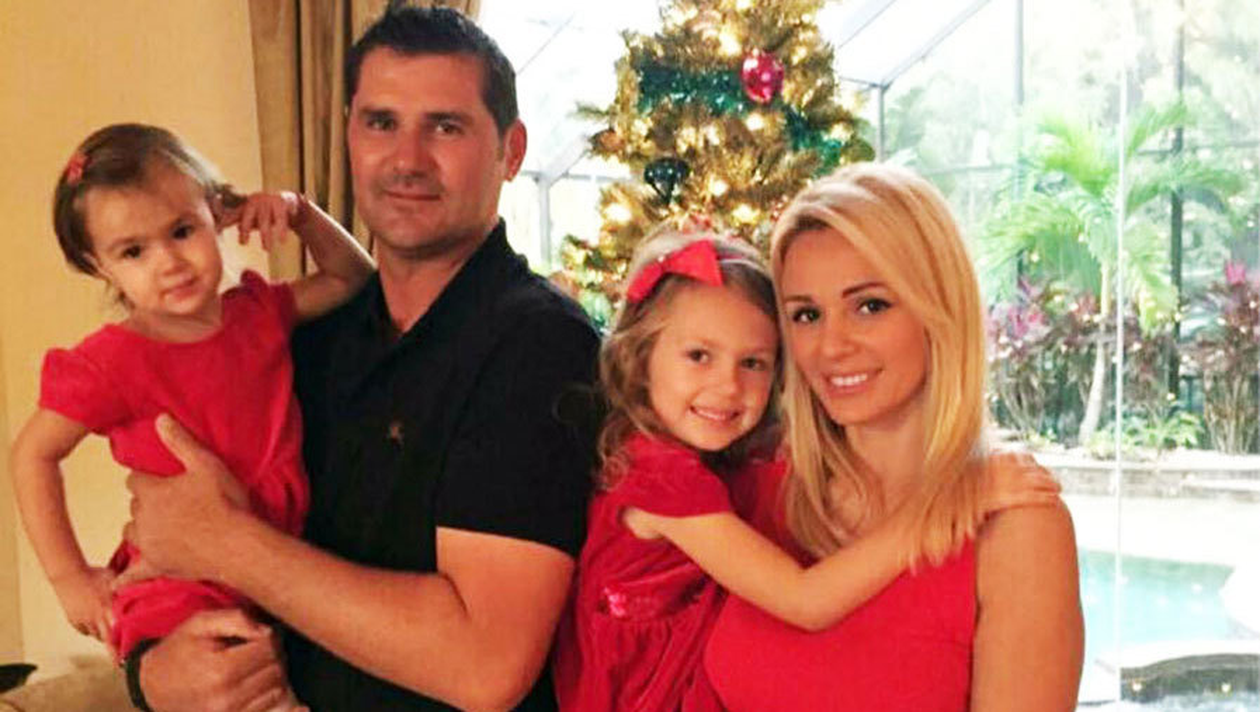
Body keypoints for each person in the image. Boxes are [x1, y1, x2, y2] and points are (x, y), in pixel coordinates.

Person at [120, 5, 600, 712]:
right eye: (380, 123)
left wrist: (227, 544)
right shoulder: (302, 334)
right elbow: (168, 535)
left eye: (445, 126)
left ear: (511, 150)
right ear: (348, 132)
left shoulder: (541, 346)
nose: (407, 159)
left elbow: (485, 664)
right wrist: (154, 673)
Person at [552, 231, 1062, 712]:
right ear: (639, 360)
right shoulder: (664, 479)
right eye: (699, 356)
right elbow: (805, 600)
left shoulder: (729, 465)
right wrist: (939, 512)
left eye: (753, 363)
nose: (728, 386)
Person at [9, 123, 373, 710]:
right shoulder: (111, 361)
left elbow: (353, 277)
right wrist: (69, 577)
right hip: (181, 580)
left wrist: (298, 213)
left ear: (218, 215)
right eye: (133, 251)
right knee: (241, 681)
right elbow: (32, 453)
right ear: (99, 265)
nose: (170, 262)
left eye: (182, 231)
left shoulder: (258, 312)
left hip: (280, 554)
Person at [702, 163, 1085, 711]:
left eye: (870, 306)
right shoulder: (752, 489)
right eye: (806, 315)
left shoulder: (1017, 526)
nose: (831, 346)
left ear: (939, 310)